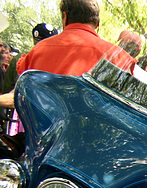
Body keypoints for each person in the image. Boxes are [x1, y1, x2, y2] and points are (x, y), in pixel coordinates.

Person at [0, 0, 136, 110]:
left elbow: (20, 91)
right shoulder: (119, 57)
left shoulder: (38, 51)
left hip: (44, 139)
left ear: (65, 17)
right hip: (98, 140)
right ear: (97, 24)